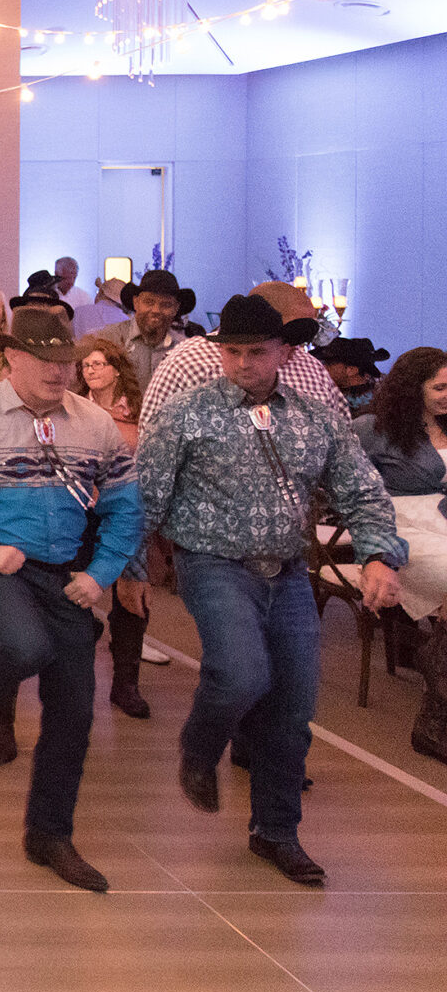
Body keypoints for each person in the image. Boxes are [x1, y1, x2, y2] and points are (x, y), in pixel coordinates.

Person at [142, 294, 406, 887]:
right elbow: (147, 498)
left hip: (287, 570)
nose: (241, 363)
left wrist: (379, 557)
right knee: (240, 673)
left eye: (255, 352)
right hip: (212, 562)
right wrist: (128, 571)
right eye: (230, 351)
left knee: (293, 707)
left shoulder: (315, 418)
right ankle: (201, 744)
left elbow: (363, 492)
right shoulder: (185, 412)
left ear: (284, 352)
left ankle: (276, 832)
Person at [0, 307, 141, 892]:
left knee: (75, 712)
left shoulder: (94, 424)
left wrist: (104, 572)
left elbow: (125, 507)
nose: (61, 373)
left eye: (67, 361)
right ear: (11, 358)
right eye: (46, 361)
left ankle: (49, 835)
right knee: (23, 645)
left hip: (67, 573)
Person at [353, 347, 447, 760]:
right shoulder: (374, 428)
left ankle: (434, 708)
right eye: (440, 387)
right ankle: (434, 716)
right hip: (402, 528)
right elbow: (339, 476)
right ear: (413, 389)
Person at [141, 282, 347, 430]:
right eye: (293, 328)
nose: (299, 339)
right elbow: (151, 438)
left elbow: (343, 435)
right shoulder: (189, 361)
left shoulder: (310, 366)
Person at [75, 333, 152, 719]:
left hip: (126, 512)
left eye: (98, 363)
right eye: (85, 365)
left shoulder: (138, 410)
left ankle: (126, 684)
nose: (90, 370)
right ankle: (76, 681)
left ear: (117, 368)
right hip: (82, 515)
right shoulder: (73, 408)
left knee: (133, 600)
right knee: (75, 591)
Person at [98, 269, 194, 389]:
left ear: (176, 308)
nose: (156, 310)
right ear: (136, 302)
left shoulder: (185, 349)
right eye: (149, 302)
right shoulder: (108, 339)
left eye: (166, 305)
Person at [314, 337, 391, 416]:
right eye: (365, 377)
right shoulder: (326, 397)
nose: (362, 382)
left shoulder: (314, 374)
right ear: (351, 370)